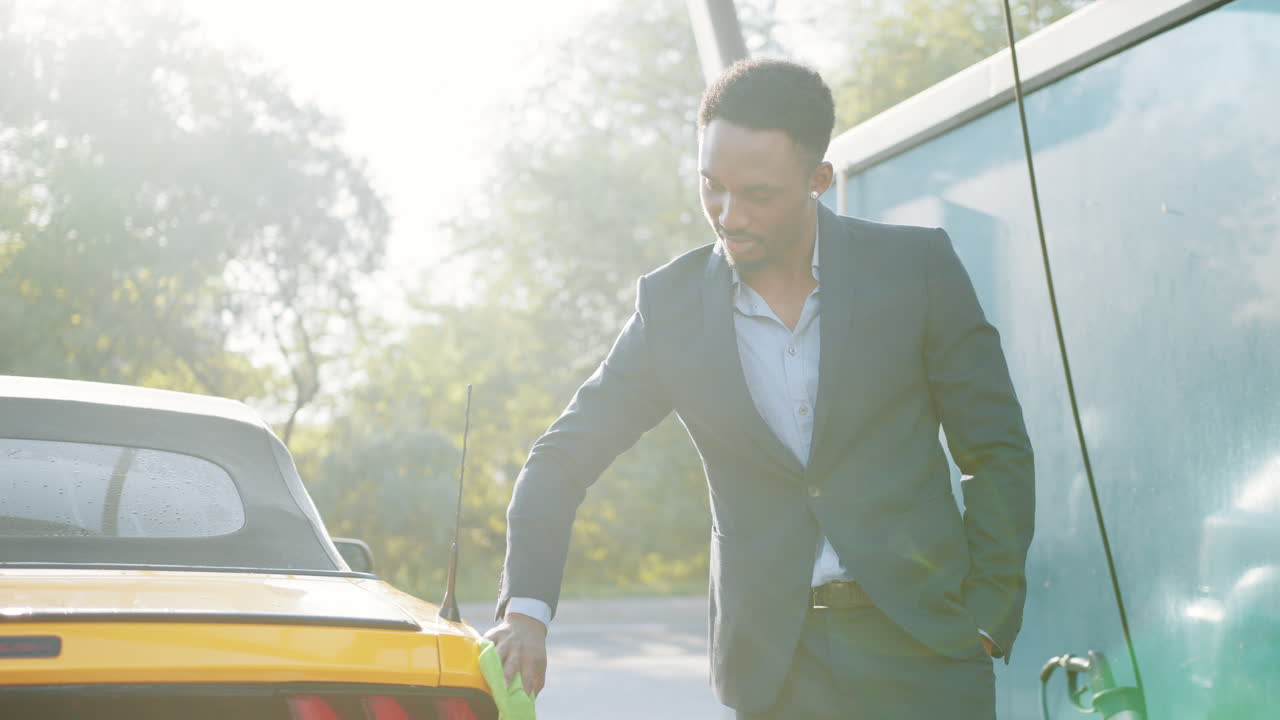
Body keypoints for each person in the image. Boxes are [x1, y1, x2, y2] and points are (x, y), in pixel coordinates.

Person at [485, 58, 1034, 719]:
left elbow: (996, 450)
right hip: (775, 667)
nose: (727, 214)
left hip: (925, 649)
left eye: (758, 194)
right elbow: (560, 458)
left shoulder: (917, 270)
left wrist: (986, 614)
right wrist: (526, 611)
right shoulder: (671, 309)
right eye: (711, 186)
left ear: (817, 180)